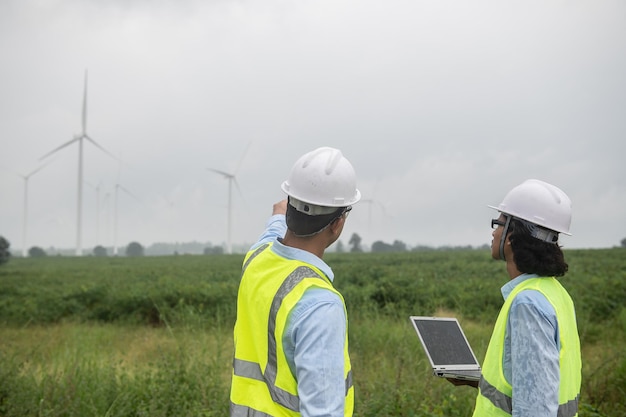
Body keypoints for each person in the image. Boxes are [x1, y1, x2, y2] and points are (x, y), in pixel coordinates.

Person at [230, 146, 361, 417]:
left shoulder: (257, 258)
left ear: (290, 205)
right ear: (338, 224)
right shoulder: (319, 303)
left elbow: (273, 231)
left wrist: (279, 215)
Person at [451, 179, 582, 417]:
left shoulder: (528, 304)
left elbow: (536, 408)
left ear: (512, 236)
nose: (493, 232)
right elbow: (537, 384)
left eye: (498, 224)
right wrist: (480, 380)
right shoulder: (555, 293)